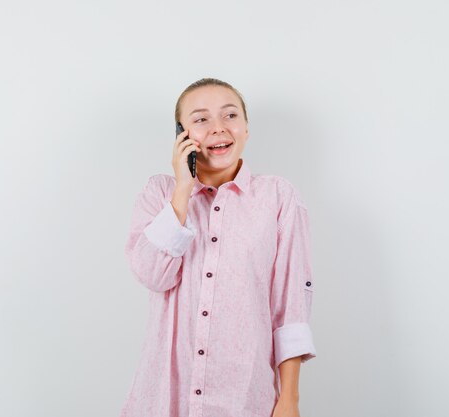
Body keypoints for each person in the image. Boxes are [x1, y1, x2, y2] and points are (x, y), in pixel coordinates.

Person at [119, 78, 317, 417]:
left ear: (246, 128)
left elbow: (290, 307)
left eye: (230, 115)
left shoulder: (278, 198)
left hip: (244, 397)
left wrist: (289, 400)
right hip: (165, 399)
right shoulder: (159, 194)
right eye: (201, 119)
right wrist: (182, 191)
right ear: (181, 134)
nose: (218, 128)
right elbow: (153, 274)